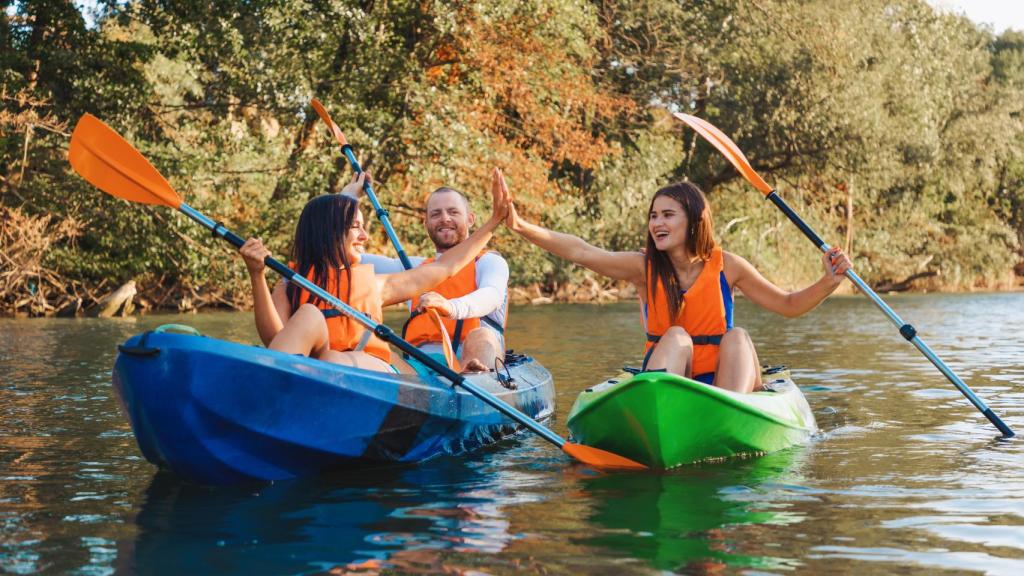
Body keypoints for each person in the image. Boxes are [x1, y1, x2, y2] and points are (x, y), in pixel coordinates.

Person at [506, 181, 851, 393]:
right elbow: (582, 251)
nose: (657, 222)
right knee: (676, 336)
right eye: (653, 215)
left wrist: (828, 281)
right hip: (670, 385)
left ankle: (731, 415)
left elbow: (789, 305)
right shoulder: (643, 267)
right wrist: (521, 227)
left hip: (723, 387)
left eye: (668, 215)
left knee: (737, 336)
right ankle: (667, 410)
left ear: (694, 221)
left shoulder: (728, 266)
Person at [236, 168, 509, 373]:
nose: (365, 236)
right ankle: (269, 394)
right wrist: (256, 275)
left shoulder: (376, 284)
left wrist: (494, 222)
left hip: (365, 368)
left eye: (453, 212)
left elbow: (446, 266)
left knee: (329, 355)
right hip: (322, 364)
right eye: (357, 227)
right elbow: (276, 341)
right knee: (310, 316)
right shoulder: (292, 284)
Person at [343, 174, 510, 373]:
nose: (445, 218)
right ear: (426, 224)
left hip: (475, 356)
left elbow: (491, 295)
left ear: (470, 219)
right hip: (421, 365)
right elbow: (343, 252)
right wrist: (348, 198)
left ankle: (474, 374)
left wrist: (450, 307)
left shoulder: (490, 262)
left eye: (453, 212)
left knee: (481, 336)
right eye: (436, 214)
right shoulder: (414, 268)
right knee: (372, 345)